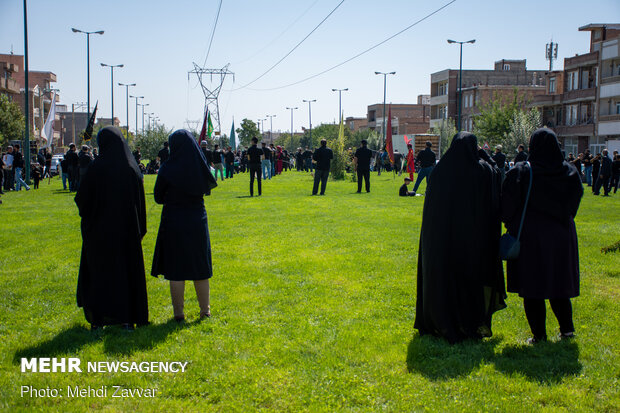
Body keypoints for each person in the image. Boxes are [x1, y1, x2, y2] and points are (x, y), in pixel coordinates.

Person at [414, 132, 506, 343]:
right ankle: (470, 322)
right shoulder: (481, 171)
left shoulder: (440, 173)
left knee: (446, 281)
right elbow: (498, 176)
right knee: (469, 282)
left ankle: (441, 320)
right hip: (473, 242)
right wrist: (486, 156)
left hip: (444, 243)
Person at [501, 128, 582, 343]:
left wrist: (512, 224)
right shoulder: (570, 172)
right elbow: (574, 202)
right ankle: (567, 329)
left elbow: (507, 204)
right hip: (562, 235)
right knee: (559, 283)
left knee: (532, 285)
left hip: (531, 235)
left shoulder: (522, 171)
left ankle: (539, 335)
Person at [74, 126, 149, 330]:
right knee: (125, 275)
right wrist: (139, 229)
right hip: (126, 232)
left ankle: (98, 319)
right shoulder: (131, 169)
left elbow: (82, 200)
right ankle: (127, 319)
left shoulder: (96, 169)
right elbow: (140, 205)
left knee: (100, 275)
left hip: (99, 233)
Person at [152, 130, 217, 321]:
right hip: (197, 218)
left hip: (173, 218)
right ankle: (205, 310)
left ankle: (178, 314)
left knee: (176, 268)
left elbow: (157, 197)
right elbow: (207, 188)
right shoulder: (199, 165)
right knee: (200, 266)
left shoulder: (167, 167)